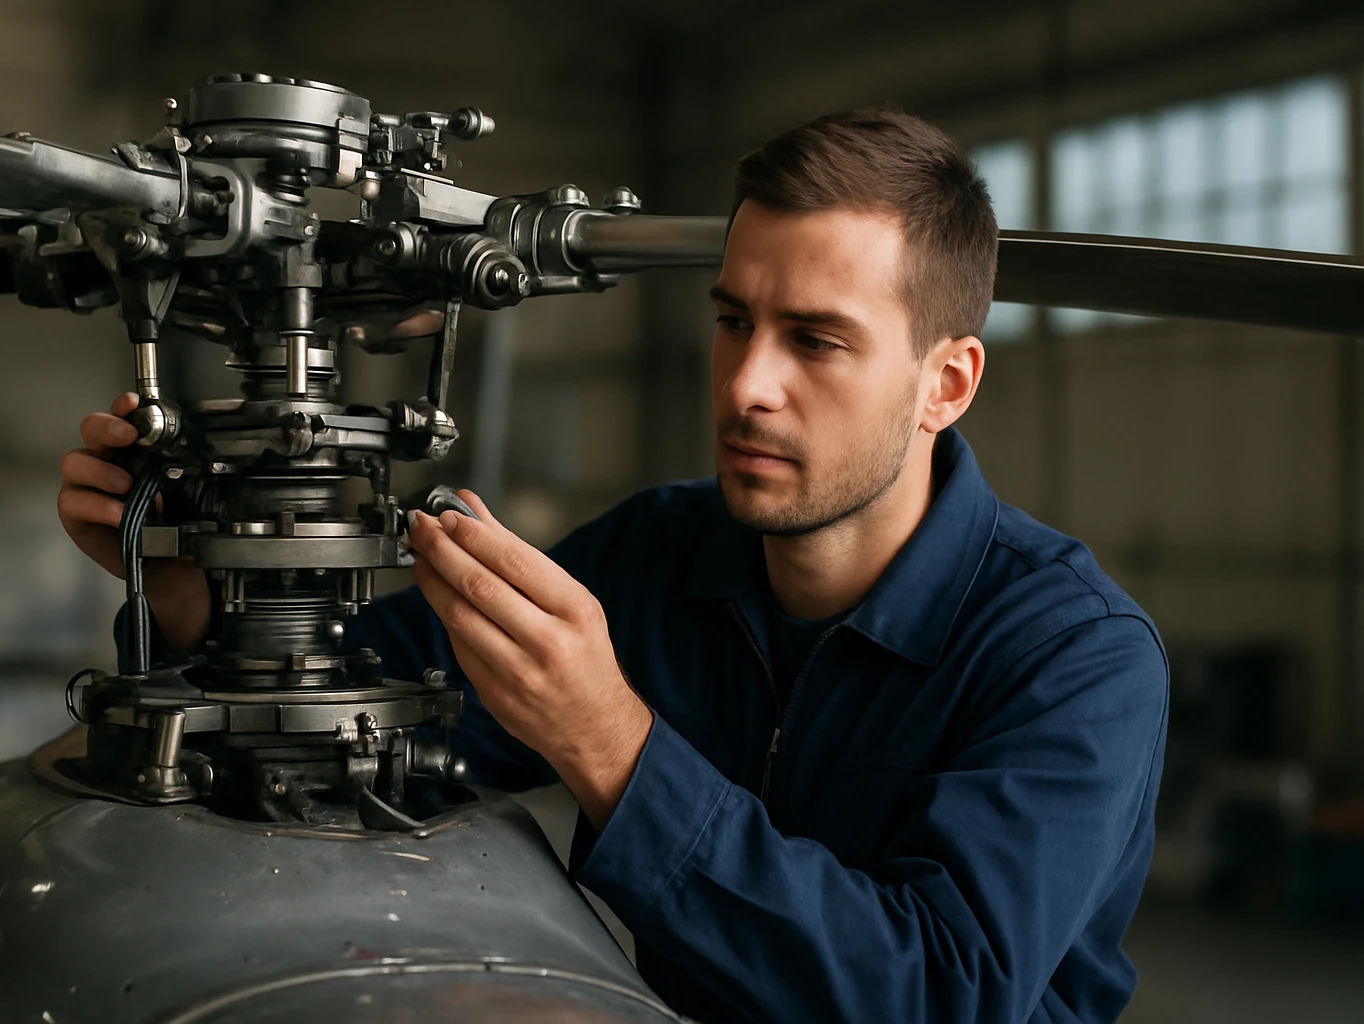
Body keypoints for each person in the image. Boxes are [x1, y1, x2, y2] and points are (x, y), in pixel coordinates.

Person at [59, 107, 1168, 1024]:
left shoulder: (1074, 656)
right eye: (735, 321)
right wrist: (194, 601)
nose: (746, 386)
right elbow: (360, 716)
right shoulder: (656, 556)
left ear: (948, 383)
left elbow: (938, 993)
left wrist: (614, 746)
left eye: (816, 341)